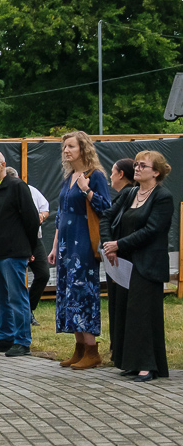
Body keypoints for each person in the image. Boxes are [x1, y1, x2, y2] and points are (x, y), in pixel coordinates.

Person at [101, 151, 172, 382]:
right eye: (136, 164)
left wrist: (118, 244)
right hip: (123, 263)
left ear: (156, 171)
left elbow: (152, 230)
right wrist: (107, 244)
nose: (137, 168)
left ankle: (148, 365)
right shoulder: (130, 193)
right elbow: (106, 217)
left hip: (147, 264)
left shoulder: (162, 197)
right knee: (122, 311)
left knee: (142, 314)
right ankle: (128, 362)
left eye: (143, 165)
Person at [47, 131, 111, 369]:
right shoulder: (69, 177)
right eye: (64, 147)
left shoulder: (95, 176)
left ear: (83, 149)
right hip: (65, 245)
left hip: (83, 243)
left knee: (83, 293)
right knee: (67, 293)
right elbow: (60, 216)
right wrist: (54, 247)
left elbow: (106, 208)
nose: (66, 151)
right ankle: (79, 348)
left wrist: (87, 189)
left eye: (71, 146)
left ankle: (92, 350)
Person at [0, 150, 40, 356]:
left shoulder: (16, 186)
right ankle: (5, 337)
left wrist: (30, 248)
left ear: (3, 164)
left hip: (14, 252)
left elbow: (31, 219)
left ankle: (22, 341)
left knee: (16, 297)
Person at [5, 167, 50, 327]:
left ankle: (28, 309)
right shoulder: (3, 194)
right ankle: (15, 315)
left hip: (35, 240)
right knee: (14, 280)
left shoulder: (31, 190)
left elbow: (45, 208)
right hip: (15, 242)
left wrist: (41, 216)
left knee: (43, 274)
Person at [104, 158, 136, 357]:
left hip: (122, 258)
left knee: (120, 302)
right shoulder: (122, 196)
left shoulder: (127, 195)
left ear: (121, 174)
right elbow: (106, 218)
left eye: (112, 172)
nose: (110, 176)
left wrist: (114, 246)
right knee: (115, 301)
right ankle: (117, 347)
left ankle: (120, 348)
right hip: (114, 254)